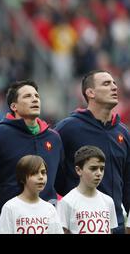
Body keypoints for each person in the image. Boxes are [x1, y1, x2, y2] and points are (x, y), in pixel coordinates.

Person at [55, 70, 130, 233]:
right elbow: (51, 169)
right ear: (90, 93)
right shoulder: (68, 128)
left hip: (115, 223)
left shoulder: (123, 133)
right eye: (106, 83)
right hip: (80, 224)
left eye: (115, 83)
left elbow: (127, 181)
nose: (114, 87)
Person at [0, 80, 63, 217]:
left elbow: (60, 179)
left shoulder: (54, 138)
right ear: (14, 106)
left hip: (48, 216)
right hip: (13, 217)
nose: (34, 99)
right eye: (27, 96)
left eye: (37, 96)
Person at [56, 145, 117, 234]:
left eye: (102, 168)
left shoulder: (108, 201)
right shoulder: (67, 202)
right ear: (78, 170)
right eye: (93, 168)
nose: (99, 173)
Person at [0, 155, 63, 234]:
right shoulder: (10, 207)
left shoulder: (50, 209)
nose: (41, 177)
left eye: (43, 173)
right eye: (34, 173)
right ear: (22, 178)